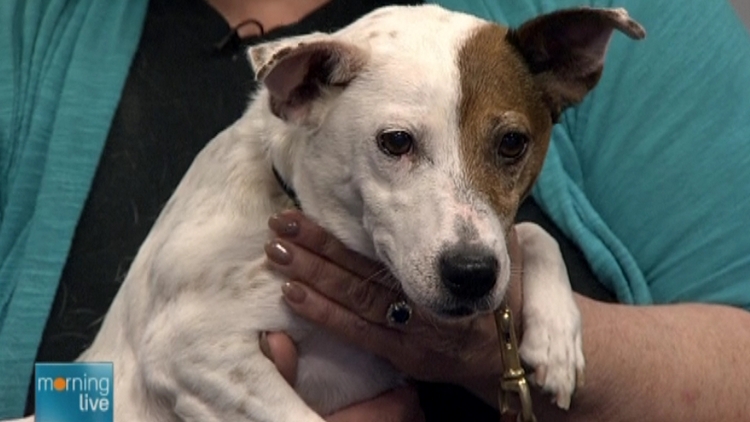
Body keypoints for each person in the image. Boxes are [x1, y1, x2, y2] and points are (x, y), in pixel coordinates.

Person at [1, 0, 749, 420]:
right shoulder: (30, 29)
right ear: (294, 95)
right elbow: (145, 363)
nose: (468, 236)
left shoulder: (556, 42)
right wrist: (64, 407)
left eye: (508, 145)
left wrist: (510, 341)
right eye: (397, 145)